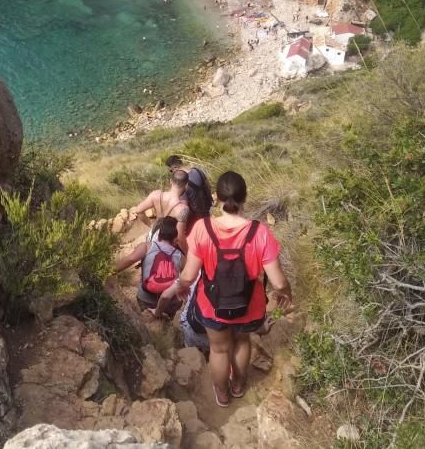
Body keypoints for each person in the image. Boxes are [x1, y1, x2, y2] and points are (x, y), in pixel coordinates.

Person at [170, 171, 292, 407]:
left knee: (219, 349)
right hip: (249, 305)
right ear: (245, 197)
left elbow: (189, 275)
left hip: (212, 306)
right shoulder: (260, 233)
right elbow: (278, 282)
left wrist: (182, 287)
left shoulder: (203, 229)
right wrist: (286, 293)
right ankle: (238, 385)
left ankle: (222, 394)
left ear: (216, 197)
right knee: (242, 341)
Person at [115, 216, 183, 316]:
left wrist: (108, 271)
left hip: (146, 300)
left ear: (159, 233)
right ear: (175, 238)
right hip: (171, 303)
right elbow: (188, 277)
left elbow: (131, 259)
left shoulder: (147, 246)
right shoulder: (180, 256)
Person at [164, 156, 213, 251]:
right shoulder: (198, 171)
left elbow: (184, 207)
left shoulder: (182, 184)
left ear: (175, 168)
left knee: (198, 244)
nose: (172, 173)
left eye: (171, 171)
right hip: (206, 211)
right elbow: (208, 187)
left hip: (194, 219)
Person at [128, 169, 190, 242]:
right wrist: (187, 252)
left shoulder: (156, 195)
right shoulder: (183, 209)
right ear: (186, 185)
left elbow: (138, 210)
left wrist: (151, 225)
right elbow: (180, 237)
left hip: (154, 234)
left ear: (170, 181)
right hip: (168, 240)